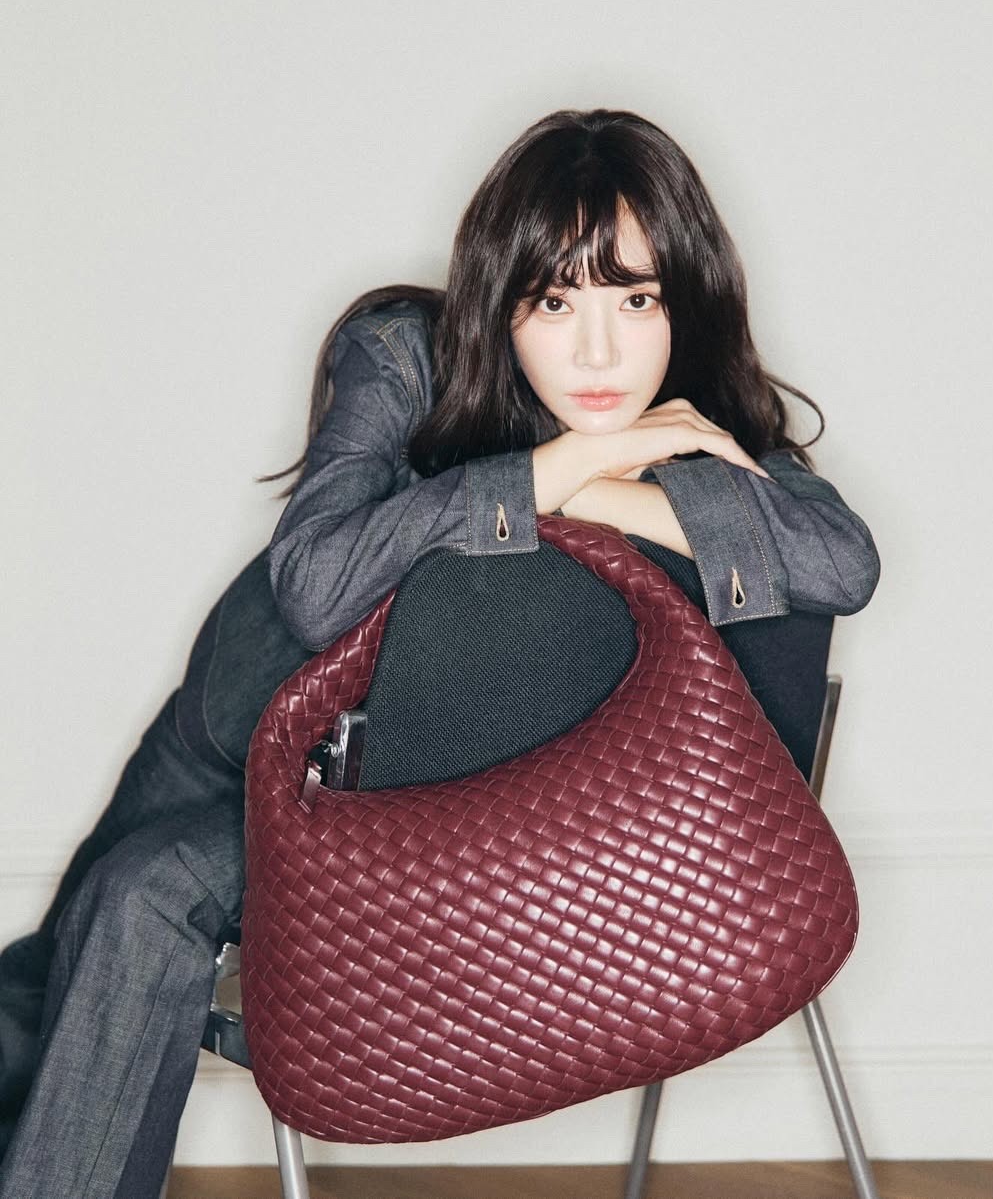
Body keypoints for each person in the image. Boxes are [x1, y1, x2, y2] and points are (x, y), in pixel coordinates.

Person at [0, 108, 880, 1198]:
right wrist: (563, 471)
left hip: (404, 807)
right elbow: (315, 583)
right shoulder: (407, 355)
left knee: (126, 906)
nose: (598, 352)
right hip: (243, 726)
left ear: (685, 301)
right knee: (53, 974)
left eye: (636, 300)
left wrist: (614, 486)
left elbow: (842, 563)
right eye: (554, 302)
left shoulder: (704, 429)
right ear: (499, 301)